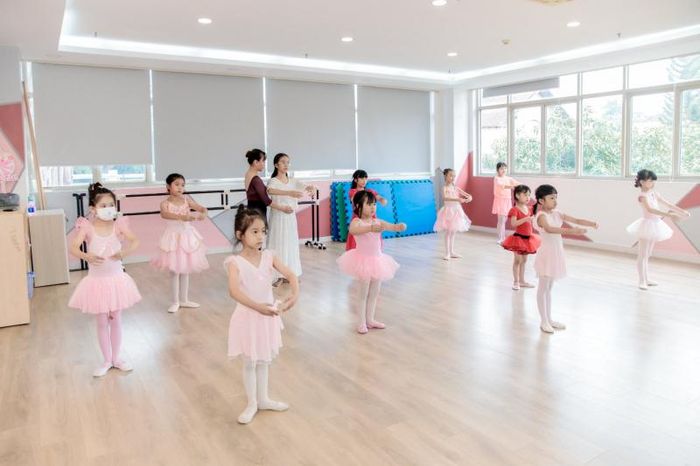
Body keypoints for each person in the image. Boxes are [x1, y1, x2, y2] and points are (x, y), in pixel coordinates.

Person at [224, 206, 299, 424]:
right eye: (254, 232)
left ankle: (264, 399)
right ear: (240, 235)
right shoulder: (234, 262)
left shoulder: (269, 256)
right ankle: (252, 403)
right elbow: (234, 291)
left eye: (263, 231)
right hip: (248, 318)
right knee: (250, 362)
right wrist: (258, 307)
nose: (261, 236)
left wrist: (294, 295)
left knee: (264, 359)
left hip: (267, 317)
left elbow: (291, 274)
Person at [68, 183, 141, 377]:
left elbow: (135, 241)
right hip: (97, 283)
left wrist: (124, 252)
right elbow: (73, 247)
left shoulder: (119, 225)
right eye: (103, 205)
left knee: (116, 319)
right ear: (93, 208)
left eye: (111, 205)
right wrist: (87, 256)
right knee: (102, 322)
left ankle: (116, 359)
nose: (108, 208)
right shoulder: (87, 227)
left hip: (116, 281)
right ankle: (107, 360)